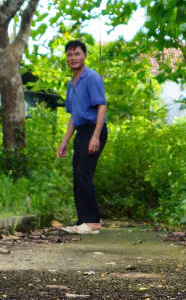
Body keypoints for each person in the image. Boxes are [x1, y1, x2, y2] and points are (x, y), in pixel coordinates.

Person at [57, 40, 107, 235]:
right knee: (77, 175)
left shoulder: (92, 77)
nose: (73, 58)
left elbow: (102, 106)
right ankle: (83, 222)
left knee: (85, 173)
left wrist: (95, 136)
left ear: (84, 56)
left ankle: (93, 221)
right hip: (81, 131)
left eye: (77, 53)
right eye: (69, 55)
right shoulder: (71, 83)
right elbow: (74, 117)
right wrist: (65, 141)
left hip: (95, 129)